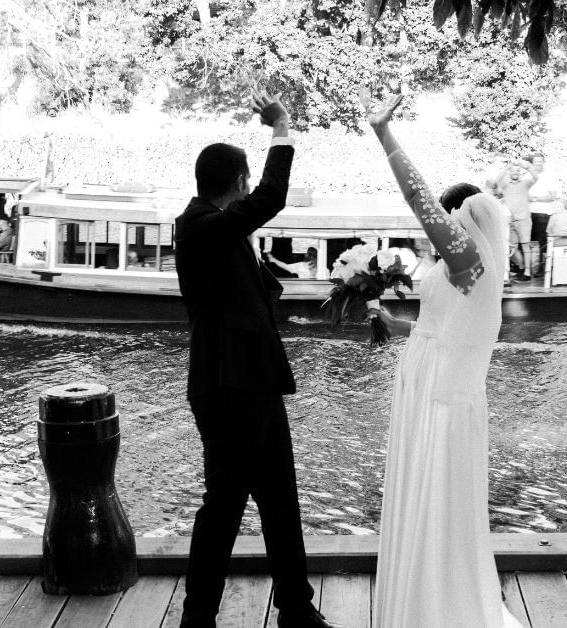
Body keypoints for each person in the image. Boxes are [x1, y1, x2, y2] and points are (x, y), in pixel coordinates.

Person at [173, 91, 339, 628]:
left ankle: (295, 608)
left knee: (279, 499)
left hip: (255, 383)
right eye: (248, 183)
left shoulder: (218, 231)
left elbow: (252, 292)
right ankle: (197, 618)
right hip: (228, 387)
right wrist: (282, 129)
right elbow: (271, 198)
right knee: (223, 506)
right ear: (240, 182)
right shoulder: (199, 225)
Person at [361, 94, 523, 628]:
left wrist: (386, 134)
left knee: (438, 501)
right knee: (427, 497)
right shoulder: (468, 275)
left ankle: (433, 610)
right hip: (428, 382)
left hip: (441, 399)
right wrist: (396, 324)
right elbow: (441, 330)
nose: (442, 229)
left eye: (449, 221)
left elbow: (416, 195)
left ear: (464, 223)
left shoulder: (470, 262)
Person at [492, 160, 535, 281]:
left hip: (524, 219)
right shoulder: (505, 184)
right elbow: (497, 179)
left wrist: (527, 166)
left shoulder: (525, 183)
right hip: (510, 221)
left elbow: (535, 177)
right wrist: (507, 167)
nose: (515, 172)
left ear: (520, 173)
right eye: (513, 170)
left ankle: (527, 272)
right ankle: (521, 267)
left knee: (525, 245)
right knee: (511, 247)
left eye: (518, 171)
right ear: (510, 172)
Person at [527, 153, 562, 275]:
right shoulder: (527, 176)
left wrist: (535, 198)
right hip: (528, 213)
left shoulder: (549, 176)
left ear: (543, 162)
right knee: (530, 242)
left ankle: (543, 270)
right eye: (535, 161)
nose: (538, 163)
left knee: (542, 242)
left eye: (540, 161)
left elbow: (552, 196)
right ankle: (530, 270)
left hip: (543, 213)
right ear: (532, 163)